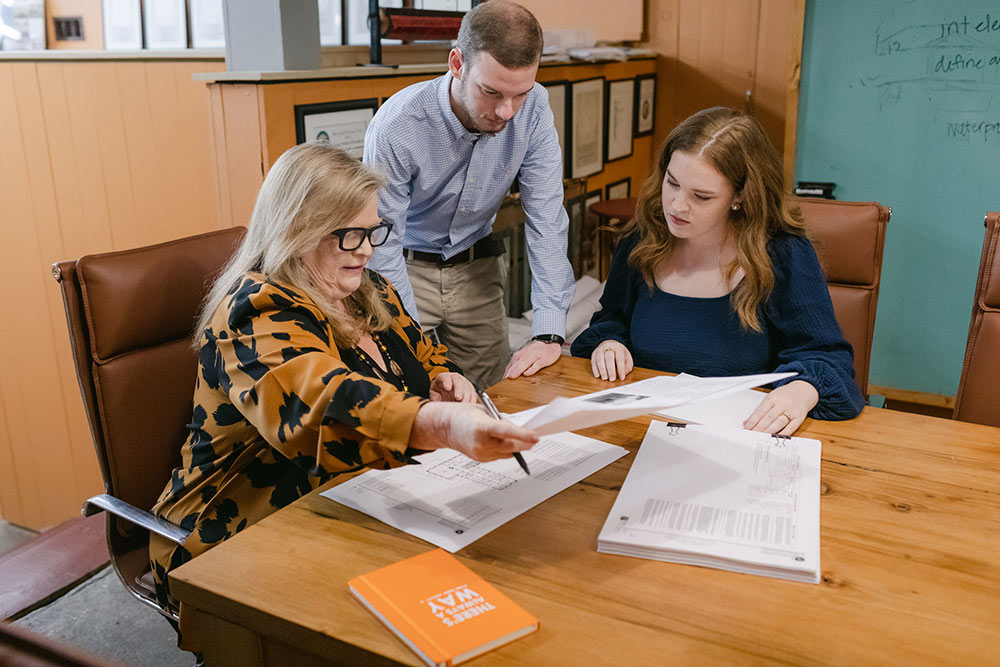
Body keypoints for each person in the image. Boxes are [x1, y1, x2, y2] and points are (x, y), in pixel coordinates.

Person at [149, 143, 539, 648]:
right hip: (246, 529)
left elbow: (422, 355)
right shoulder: (254, 311)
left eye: (373, 231)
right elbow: (319, 406)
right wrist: (438, 424)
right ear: (296, 231)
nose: (367, 249)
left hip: (356, 504)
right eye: (350, 235)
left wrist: (446, 381)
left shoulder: (364, 288)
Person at [571, 107, 864, 434]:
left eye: (702, 196)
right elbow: (611, 318)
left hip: (739, 438)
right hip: (639, 431)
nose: (677, 206)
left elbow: (828, 360)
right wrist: (609, 342)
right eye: (672, 183)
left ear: (739, 197)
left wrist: (802, 390)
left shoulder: (782, 255)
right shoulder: (643, 240)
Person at [363, 0, 574, 388]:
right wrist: (409, 338)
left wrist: (548, 331)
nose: (508, 111)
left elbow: (547, 217)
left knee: (491, 394)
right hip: (405, 271)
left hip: (477, 269)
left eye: (520, 93)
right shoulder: (397, 125)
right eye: (491, 92)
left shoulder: (536, 109)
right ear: (457, 64)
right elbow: (383, 242)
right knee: (409, 390)